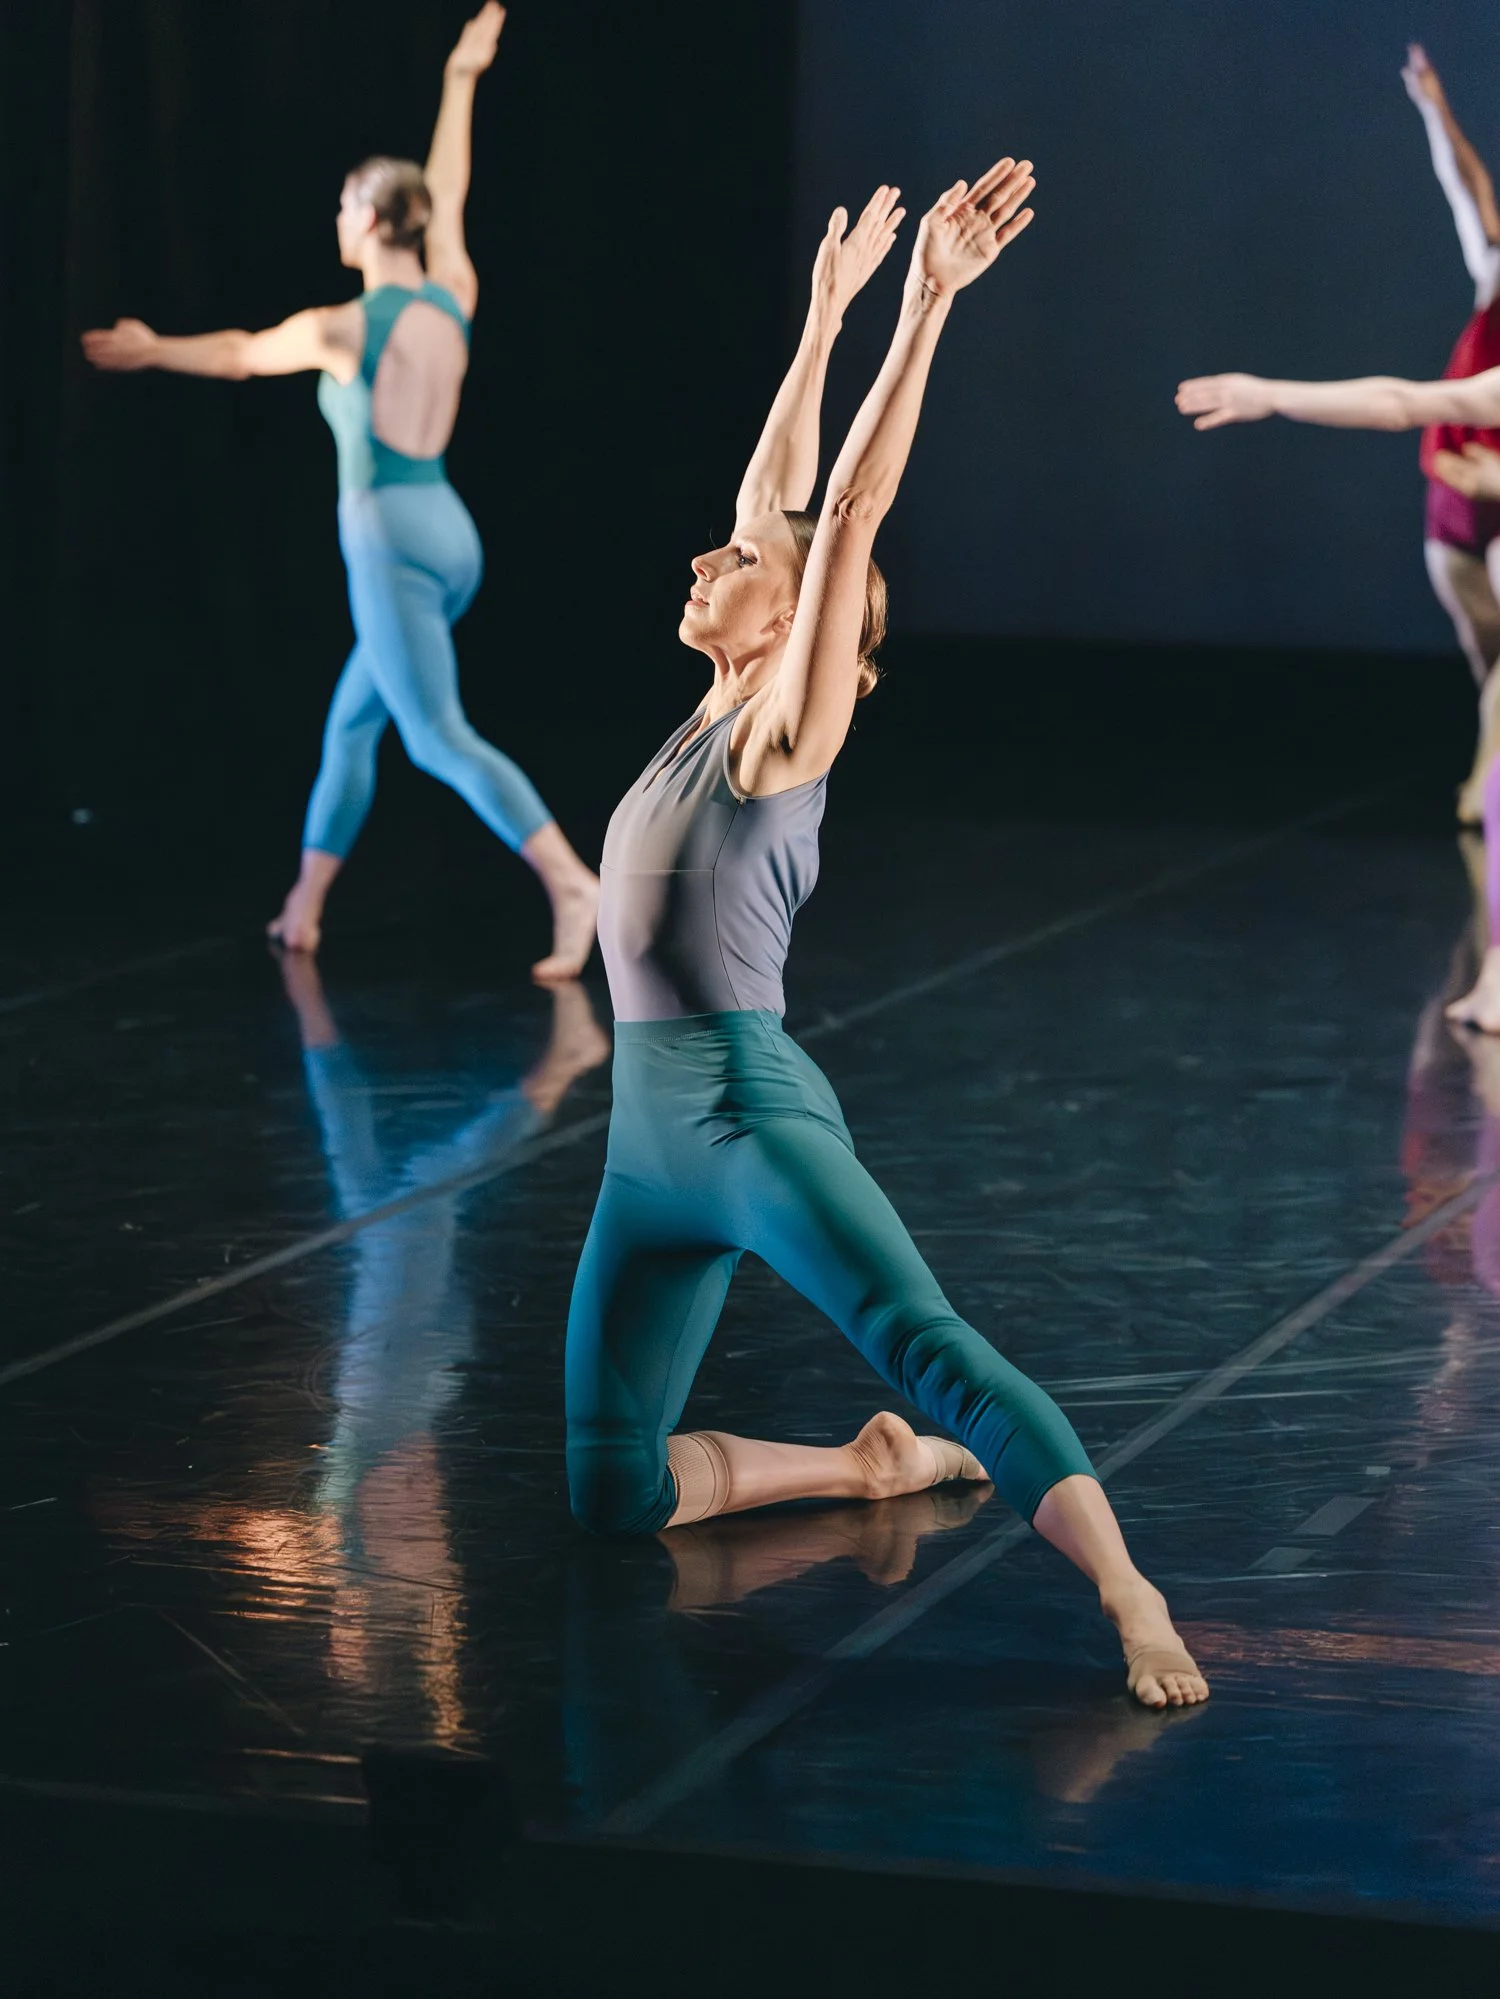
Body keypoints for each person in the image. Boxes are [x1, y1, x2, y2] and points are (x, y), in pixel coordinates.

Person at [564, 167, 1209, 1711]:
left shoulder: (782, 731)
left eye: (739, 567)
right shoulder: (716, 695)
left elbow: (840, 511)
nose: (708, 559)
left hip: (748, 1117)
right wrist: (821, 315)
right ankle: (864, 1468)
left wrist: (922, 309)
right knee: (608, 1487)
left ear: (803, 626)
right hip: (645, 1144)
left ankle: (1131, 1591)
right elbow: (782, 492)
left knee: (928, 1343)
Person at [81, 4, 598, 981]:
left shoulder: (342, 326)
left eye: (342, 205)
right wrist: (459, 79)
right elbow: (451, 187)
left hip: (390, 538)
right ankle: (304, 907)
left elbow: (240, 355)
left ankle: (575, 884)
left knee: (437, 735)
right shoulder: (453, 288)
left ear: (366, 217)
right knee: (353, 725)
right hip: (450, 535)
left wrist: (154, 349)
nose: (335, 219)